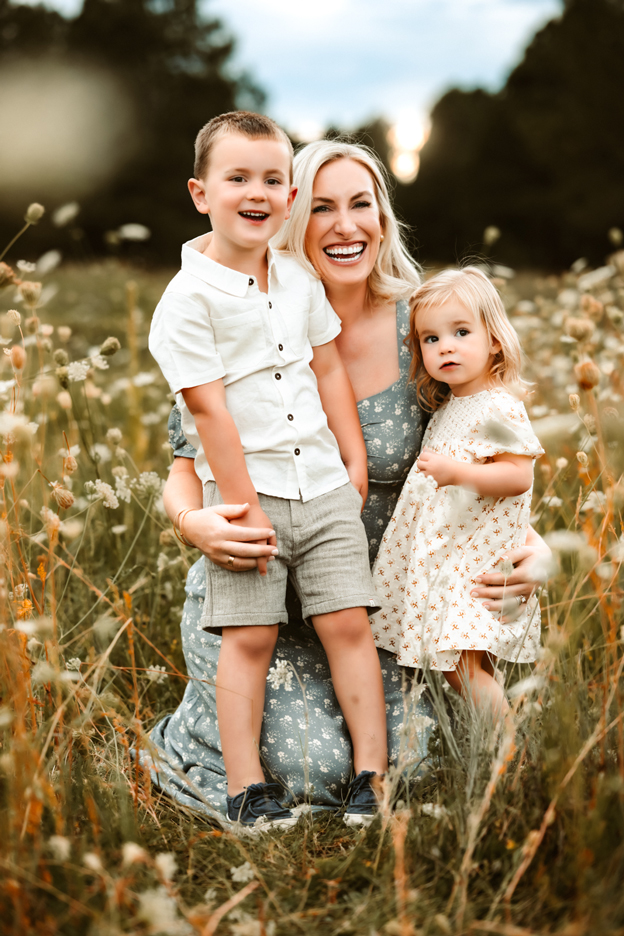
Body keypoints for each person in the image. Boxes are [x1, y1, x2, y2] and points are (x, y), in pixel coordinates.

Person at [144, 139, 550, 822]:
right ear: (290, 217)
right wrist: (195, 523)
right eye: (322, 206)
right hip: (266, 576)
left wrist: (532, 546)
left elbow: (475, 444)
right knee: (306, 764)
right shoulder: (236, 321)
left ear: (383, 219)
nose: (345, 225)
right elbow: (184, 469)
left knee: (408, 754)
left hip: (391, 600)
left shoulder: (423, 328)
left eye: (361, 204)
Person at [148, 112, 387, 828]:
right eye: (238, 177)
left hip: (322, 488)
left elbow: (326, 367)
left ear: (287, 196)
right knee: (248, 640)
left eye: (273, 179)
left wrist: (353, 459)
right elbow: (209, 416)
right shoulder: (185, 302)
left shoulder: (296, 280)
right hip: (244, 502)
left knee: (350, 626)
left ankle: (372, 777)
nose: (257, 191)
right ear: (200, 192)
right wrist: (240, 509)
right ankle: (245, 787)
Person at [371, 268, 544, 718]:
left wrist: (458, 472)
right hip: (453, 560)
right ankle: (490, 741)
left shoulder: (498, 404)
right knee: (468, 667)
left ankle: (508, 753)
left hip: (473, 566)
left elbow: (517, 477)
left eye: (461, 332)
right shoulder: (451, 406)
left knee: (461, 669)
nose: (445, 345)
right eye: (431, 339)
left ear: (494, 340)